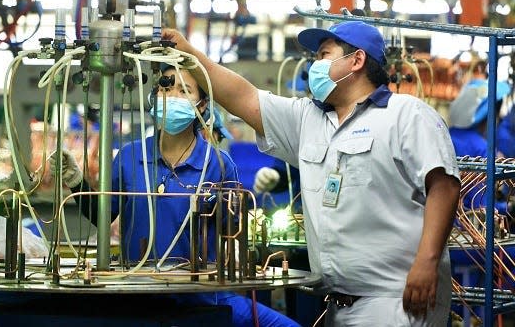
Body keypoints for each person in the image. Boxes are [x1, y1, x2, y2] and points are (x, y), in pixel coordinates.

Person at [161, 20, 461, 326]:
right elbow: (245, 97)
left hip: (396, 300)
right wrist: (190, 55)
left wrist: (427, 261)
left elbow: (444, 186)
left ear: (356, 60)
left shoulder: (406, 115)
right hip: (337, 303)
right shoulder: (309, 119)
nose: (313, 64)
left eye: (323, 54)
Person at [51, 64, 300, 327]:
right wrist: (76, 182)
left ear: (202, 106)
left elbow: (232, 232)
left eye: (185, 90)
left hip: (202, 298)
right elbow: (102, 216)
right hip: (138, 294)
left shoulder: (217, 163)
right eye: (166, 87)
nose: (171, 96)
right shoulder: (130, 156)